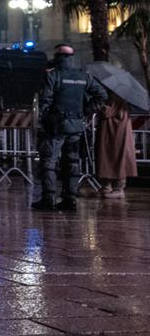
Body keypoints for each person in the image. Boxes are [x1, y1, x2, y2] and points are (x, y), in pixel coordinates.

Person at [32, 44, 107, 212]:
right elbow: (102, 95)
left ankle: (48, 198)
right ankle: (70, 199)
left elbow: (45, 102)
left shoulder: (53, 76)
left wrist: (42, 122)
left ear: (57, 56)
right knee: (72, 162)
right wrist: (86, 111)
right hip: (76, 126)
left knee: (49, 162)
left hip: (55, 127)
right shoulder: (83, 76)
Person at [96, 92, 137, 198]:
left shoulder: (116, 97)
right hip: (116, 132)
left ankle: (117, 188)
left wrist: (99, 104)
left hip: (114, 133)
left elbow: (107, 112)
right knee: (115, 158)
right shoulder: (122, 96)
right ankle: (110, 186)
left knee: (112, 158)